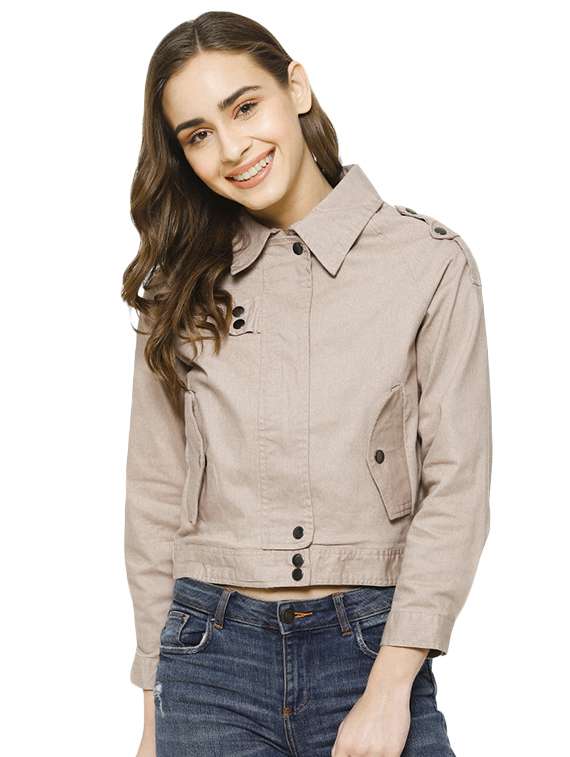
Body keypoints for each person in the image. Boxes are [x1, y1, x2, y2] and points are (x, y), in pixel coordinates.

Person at [122, 11, 492, 757]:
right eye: (198, 134)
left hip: (370, 647)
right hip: (208, 658)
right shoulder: (183, 287)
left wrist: (391, 684)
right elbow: (157, 498)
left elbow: (457, 485)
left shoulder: (427, 264)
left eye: (244, 107)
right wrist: (156, 707)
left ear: (296, 87)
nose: (232, 149)